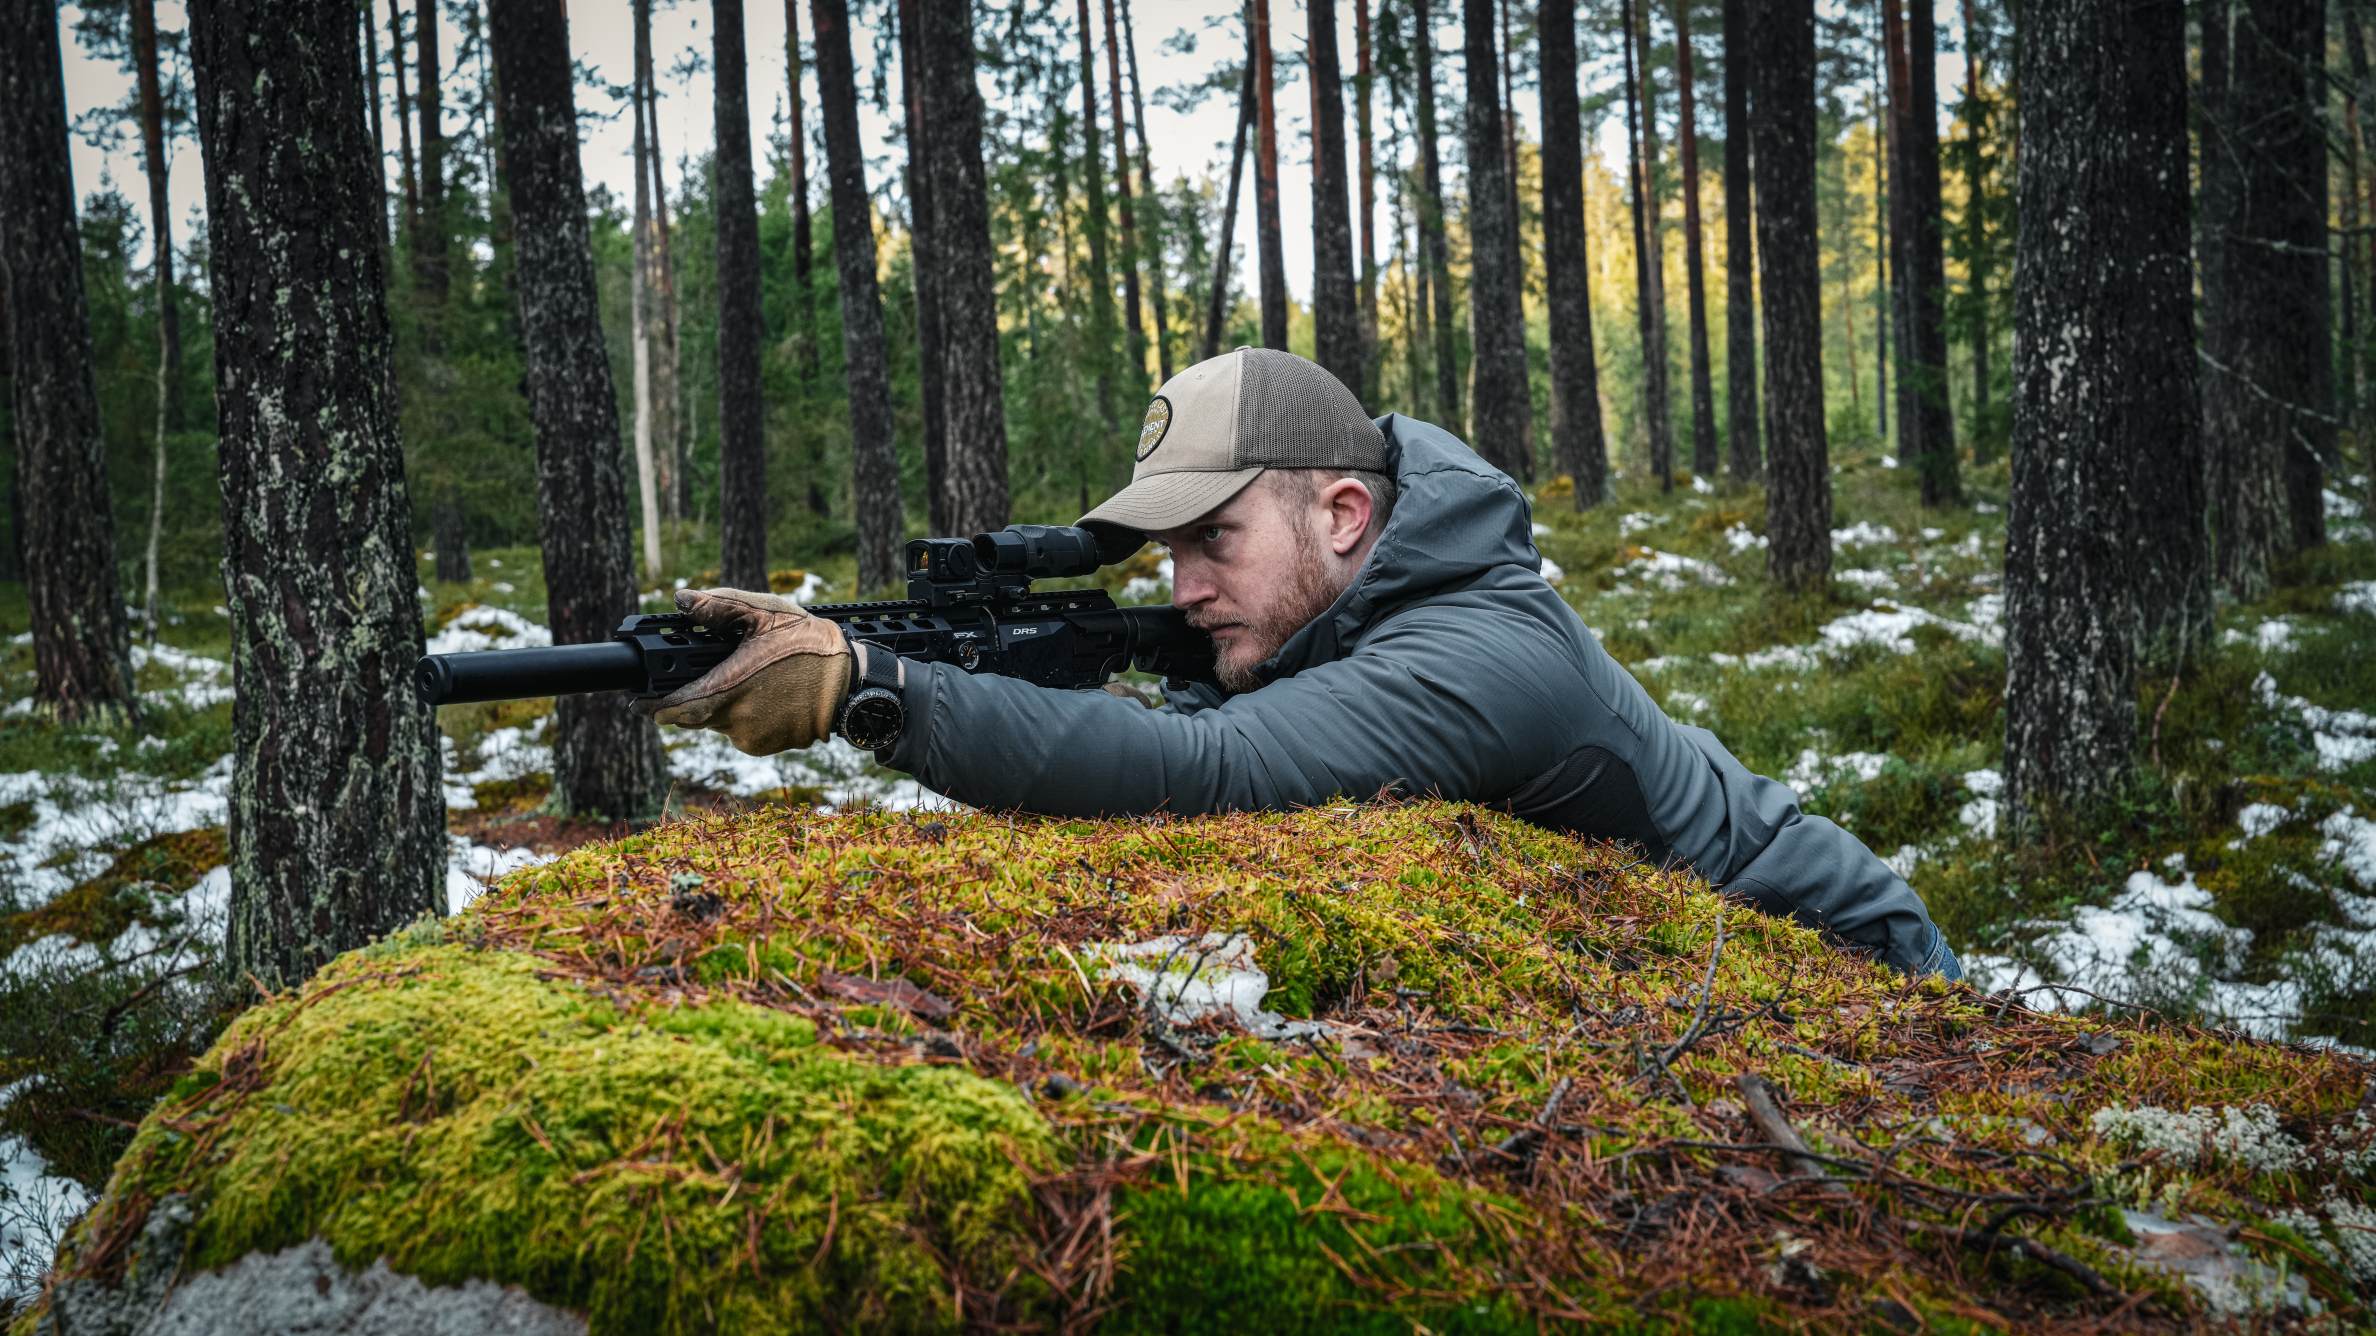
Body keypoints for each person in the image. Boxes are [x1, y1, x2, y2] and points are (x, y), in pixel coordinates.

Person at [640, 349, 1959, 978]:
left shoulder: (1489, 655)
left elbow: (1207, 771)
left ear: (1342, 517)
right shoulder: (1354, 617)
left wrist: (874, 687)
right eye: (1166, 558)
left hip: (1860, 964)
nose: (1186, 588)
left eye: (1214, 540)